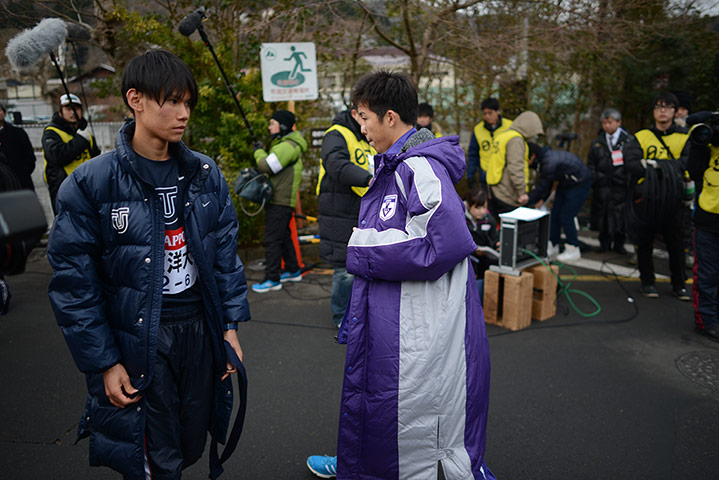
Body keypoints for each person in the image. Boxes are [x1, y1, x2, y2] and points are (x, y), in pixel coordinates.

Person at [47, 50, 249, 479]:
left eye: (188, 103)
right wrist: (104, 361)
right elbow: (73, 287)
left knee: (192, 436)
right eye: (171, 101)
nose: (183, 113)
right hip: (140, 335)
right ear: (135, 99)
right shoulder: (90, 183)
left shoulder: (205, 174)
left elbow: (226, 257)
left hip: (199, 327)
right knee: (154, 456)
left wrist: (229, 327)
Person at [307, 70, 495, 480]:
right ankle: (356, 462)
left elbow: (442, 243)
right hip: (396, 318)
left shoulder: (419, 167)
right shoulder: (396, 165)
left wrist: (358, 250)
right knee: (377, 403)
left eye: (364, 118)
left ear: (390, 117)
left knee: (407, 412)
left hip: (419, 327)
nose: (362, 127)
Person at [628, 92, 690, 300]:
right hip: (648, 199)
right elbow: (632, 164)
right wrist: (667, 169)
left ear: (675, 110)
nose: (662, 111)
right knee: (644, 242)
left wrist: (654, 166)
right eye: (658, 107)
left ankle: (679, 284)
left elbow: (687, 164)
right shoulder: (641, 136)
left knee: (676, 243)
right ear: (653, 111)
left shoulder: (684, 137)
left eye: (667, 106)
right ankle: (647, 282)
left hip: (674, 199)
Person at [316, 108, 374, 327]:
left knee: (362, 264)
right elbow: (335, 164)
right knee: (344, 268)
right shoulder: (337, 133)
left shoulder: (367, 137)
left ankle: (358, 313)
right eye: (364, 115)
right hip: (339, 209)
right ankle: (341, 316)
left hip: (362, 207)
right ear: (354, 113)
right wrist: (369, 180)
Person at [251, 110, 308, 293]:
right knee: (283, 237)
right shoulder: (287, 144)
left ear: (282, 126)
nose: (269, 127)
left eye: (272, 123)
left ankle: (272, 279)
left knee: (272, 239)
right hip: (283, 199)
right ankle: (292, 270)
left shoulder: (287, 146)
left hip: (279, 200)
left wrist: (258, 151)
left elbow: (267, 166)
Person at [587, 108, 642, 254]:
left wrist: (627, 180)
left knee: (620, 215)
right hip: (602, 184)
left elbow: (632, 163)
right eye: (604, 123)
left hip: (621, 185)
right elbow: (591, 163)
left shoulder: (628, 141)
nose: (607, 126)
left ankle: (619, 243)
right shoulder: (598, 141)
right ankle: (603, 243)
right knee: (603, 214)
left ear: (619, 122)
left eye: (610, 122)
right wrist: (596, 178)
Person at [527, 143, 592, 263]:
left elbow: (543, 183)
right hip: (566, 183)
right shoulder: (545, 158)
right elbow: (548, 181)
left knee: (566, 216)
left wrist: (528, 199)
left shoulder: (548, 161)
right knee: (555, 214)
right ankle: (553, 245)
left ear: (533, 156)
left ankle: (573, 248)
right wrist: (542, 199)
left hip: (579, 184)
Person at [42, 93, 100, 215]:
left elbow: (95, 158)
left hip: (87, 186)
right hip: (63, 187)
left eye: (77, 108)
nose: (73, 112)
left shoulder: (85, 132)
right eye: (68, 109)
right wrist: (80, 140)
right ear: (60, 111)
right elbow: (57, 156)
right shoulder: (51, 132)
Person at [687, 131, 719, 341]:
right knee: (707, 276)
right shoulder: (710, 144)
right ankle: (707, 321)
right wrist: (701, 140)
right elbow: (694, 171)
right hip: (709, 222)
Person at [485, 110, 544, 215]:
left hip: (494, 189)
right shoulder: (515, 140)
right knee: (513, 229)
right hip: (507, 193)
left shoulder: (503, 135)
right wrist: (522, 193)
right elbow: (515, 167)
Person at [467, 98, 513, 189]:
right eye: (485, 114)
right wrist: (470, 176)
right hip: (485, 177)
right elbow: (473, 154)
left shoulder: (510, 126)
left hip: (505, 177)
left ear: (498, 111)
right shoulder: (478, 129)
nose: (487, 116)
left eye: (490, 113)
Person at [464, 186, 499, 304]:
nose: (482, 211)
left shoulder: (489, 220)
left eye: (484, 207)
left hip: (485, 258)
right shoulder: (461, 218)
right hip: (467, 257)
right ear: (469, 206)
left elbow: (494, 239)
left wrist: (497, 244)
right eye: (477, 208)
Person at [0, 103, 36, 191]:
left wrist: (22, 174)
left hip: (21, 183)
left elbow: (30, 157)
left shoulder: (18, 133)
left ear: (4, 113)